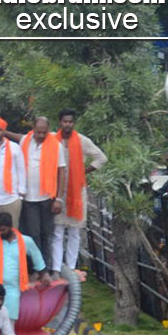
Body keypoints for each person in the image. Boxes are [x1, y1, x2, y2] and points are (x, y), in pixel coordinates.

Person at [53, 110, 107, 273]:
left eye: (70, 122)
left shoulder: (82, 141)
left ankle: (70, 267)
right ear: (60, 123)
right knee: (57, 231)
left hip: (77, 191)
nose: (67, 124)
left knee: (75, 231)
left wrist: (84, 171)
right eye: (64, 122)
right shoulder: (52, 140)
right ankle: (56, 267)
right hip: (56, 190)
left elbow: (101, 158)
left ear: (73, 123)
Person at [0, 211, 47, 317]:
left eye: (4, 230)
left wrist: (43, 274)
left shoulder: (26, 241)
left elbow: (37, 258)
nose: (1, 233)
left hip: (11, 288)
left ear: (11, 227)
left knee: (9, 323)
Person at [18, 117, 67, 274]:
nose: (41, 135)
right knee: (33, 234)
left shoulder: (56, 145)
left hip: (47, 197)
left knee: (47, 234)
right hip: (27, 197)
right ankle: (36, 269)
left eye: (44, 132)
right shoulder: (25, 141)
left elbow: (62, 172)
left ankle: (46, 269)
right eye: (38, 132)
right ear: (33, 128)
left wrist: (59, 199)